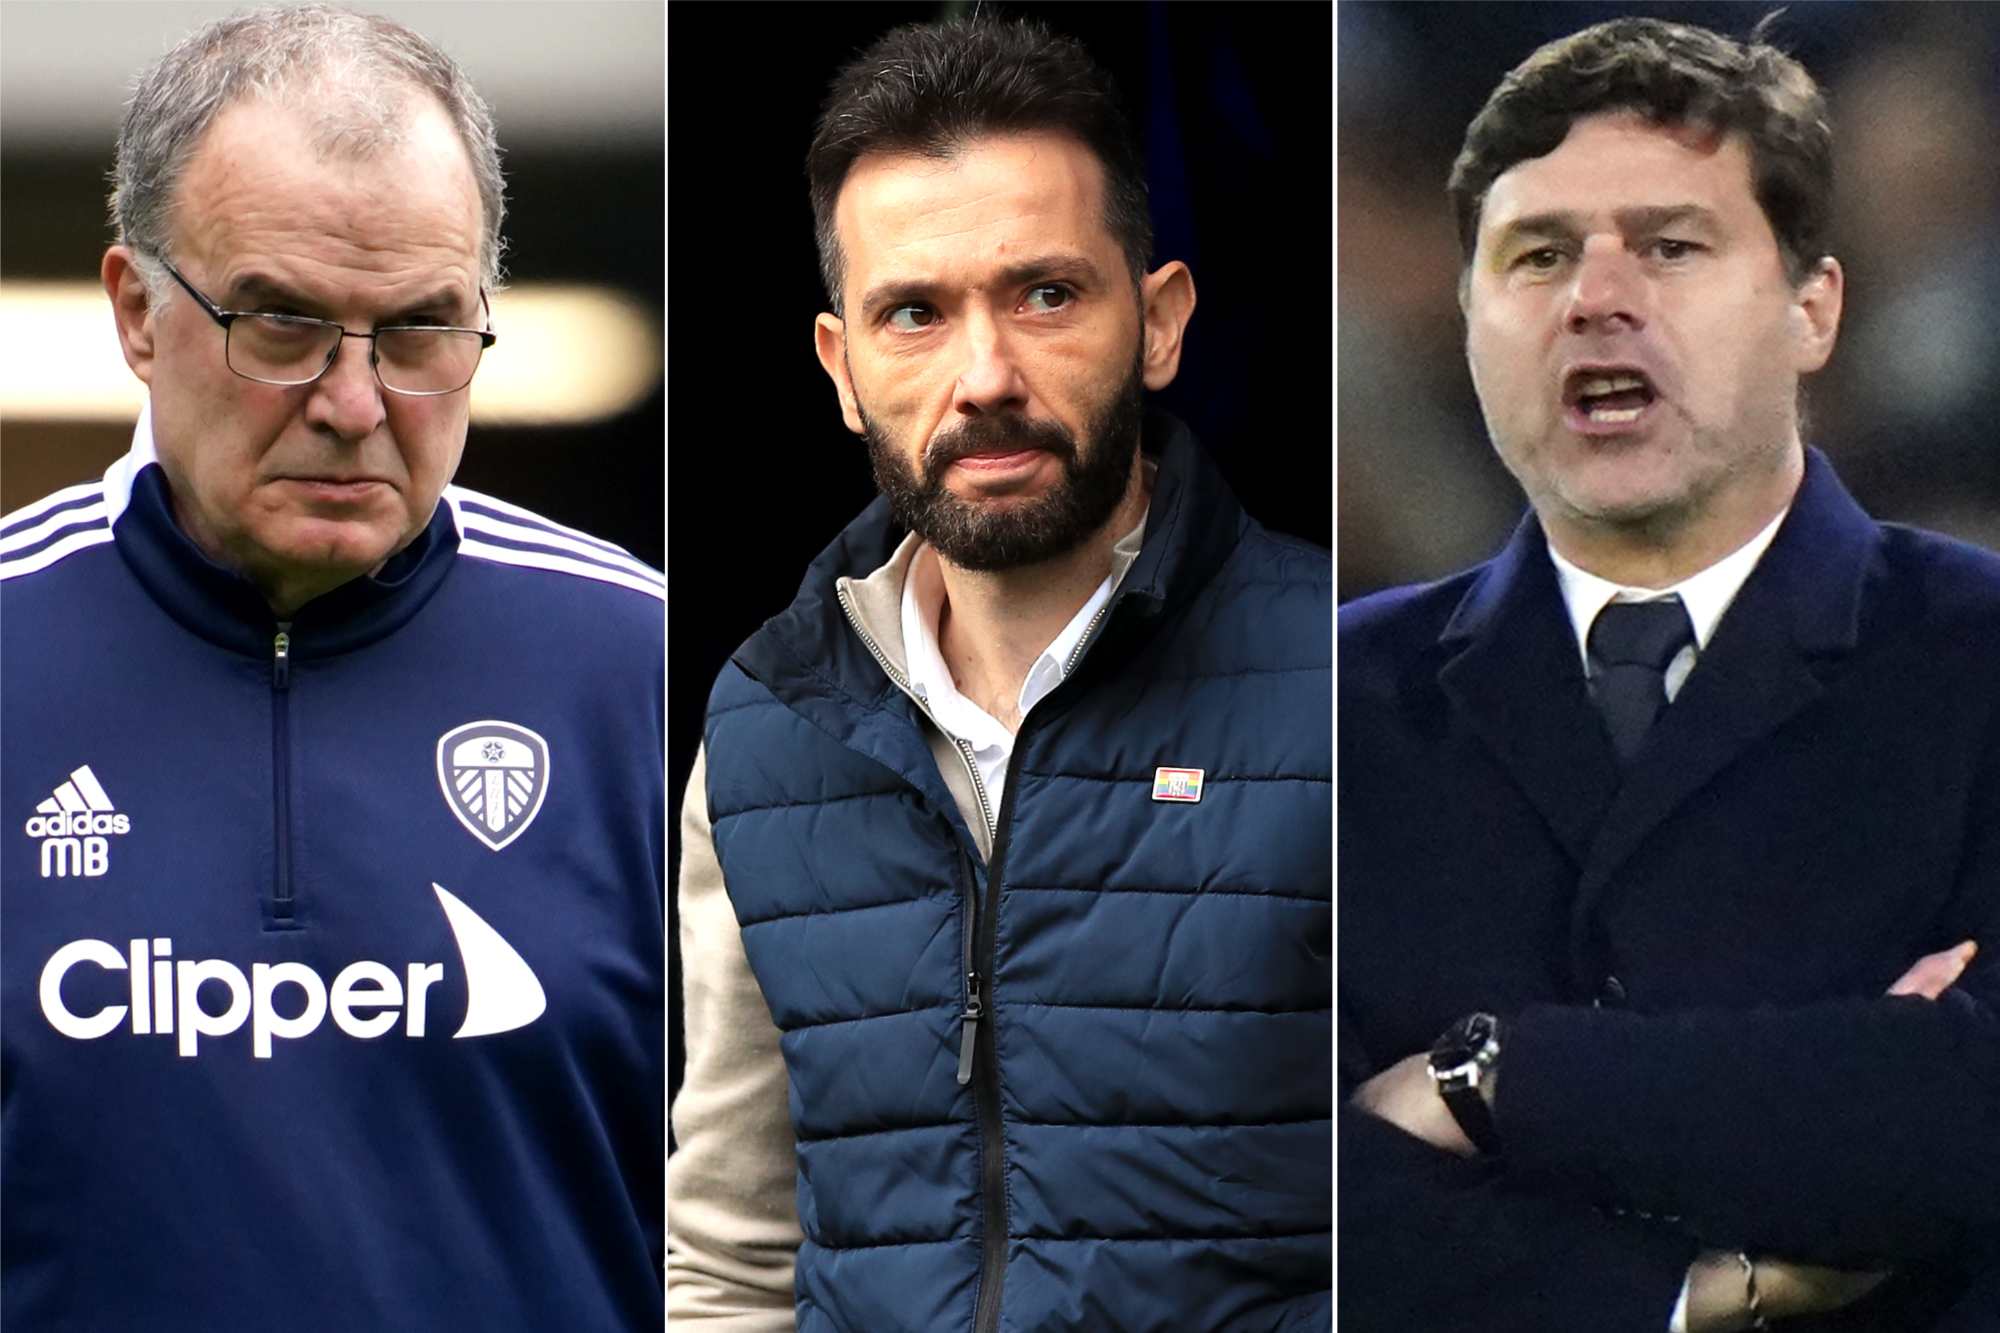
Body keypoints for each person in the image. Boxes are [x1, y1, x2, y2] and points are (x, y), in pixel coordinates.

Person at [0, 8, 664, 1330]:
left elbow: (781, 1218)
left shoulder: (649, 674)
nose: (355, 403)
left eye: (419, 331)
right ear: (136, 312)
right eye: (284, 324)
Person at [666, 17, 1331, 1332]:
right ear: (842, 371)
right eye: (913, 314)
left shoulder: (1341, 682)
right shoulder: (765, 722)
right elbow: (735, 1257)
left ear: (1160, 322)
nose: (985, 378)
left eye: (1045, 295)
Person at [1339, 16, 2000, 1333]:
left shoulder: (1979, 657)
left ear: (1814, 309)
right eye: (1536, 256)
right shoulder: (1327, 704)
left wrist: (1494, 1077)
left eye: (1673, 247)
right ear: (1469, 322)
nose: (1596, 298)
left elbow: (1961, 1117)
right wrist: (1688, 1296)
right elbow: (1227, 1170)